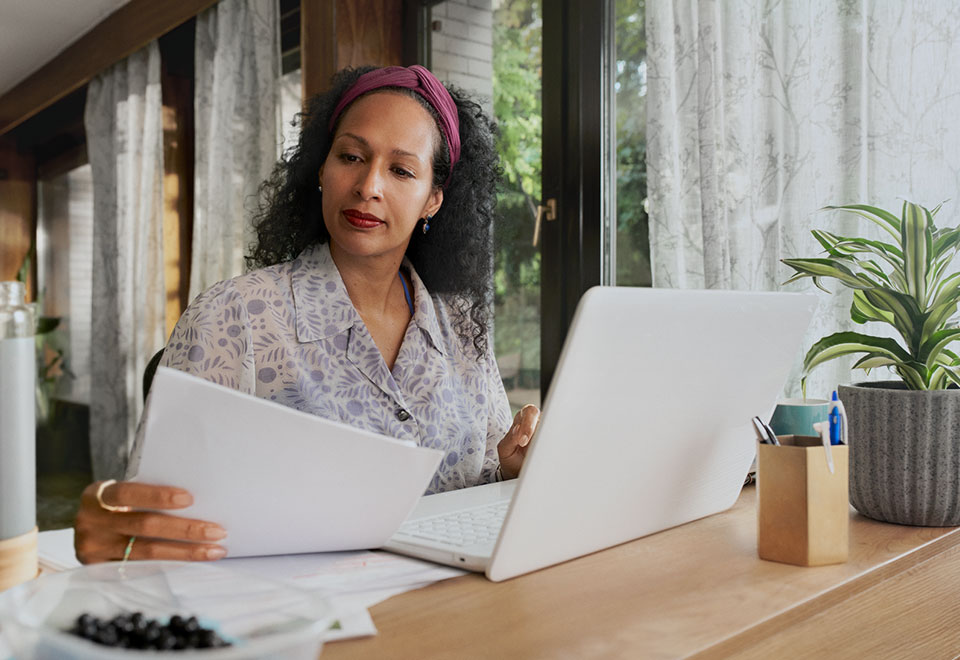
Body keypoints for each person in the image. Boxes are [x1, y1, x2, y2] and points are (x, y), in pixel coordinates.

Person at [74, 65, 540, 564]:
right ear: (322, 169)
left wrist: (512, 472)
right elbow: (155, 525)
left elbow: (479, 481)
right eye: (351, 157)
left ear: (433, 199)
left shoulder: (463, 329)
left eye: (401, 170)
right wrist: (116, 529)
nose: (368, 186)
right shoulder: (234, 317)